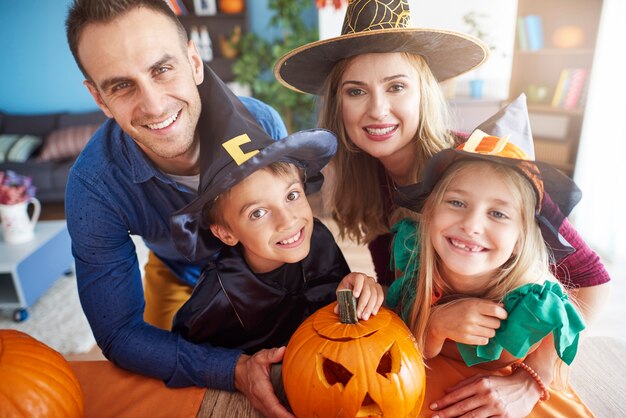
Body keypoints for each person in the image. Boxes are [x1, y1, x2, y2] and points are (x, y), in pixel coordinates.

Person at [274, 0, 610, 415]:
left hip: (509, 360)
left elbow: (592, 281)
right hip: (438, 351)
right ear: (338, 107)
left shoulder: (483, 168)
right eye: (356, 91)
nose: (377, 109)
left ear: (423, 93)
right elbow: (403, 290)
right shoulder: (367, 179)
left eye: (396, 87)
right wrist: (373, 293)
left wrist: (531, 379)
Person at [64, 0, 299, 416]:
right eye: (121, 86)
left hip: (264, 271)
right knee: (162, 396)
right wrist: (233, 369)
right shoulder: (93, 187)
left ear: (194, 62)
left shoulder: (263, 125)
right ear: (99, 98)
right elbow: (119, 333)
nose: (153, 105)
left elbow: (294, 235)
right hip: (176, 274)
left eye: (161, 69)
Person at [392, 96, 591, 416]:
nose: (471, 226)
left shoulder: (534, 300)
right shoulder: (413, 259)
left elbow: (559, 340)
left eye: (497, 213)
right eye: (457, 203)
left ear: (520, 238)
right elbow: (399, 348)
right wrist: (435, 325)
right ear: (429, 213)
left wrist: (533, 381)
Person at [169, 104, 383, 354]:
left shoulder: (318, 239)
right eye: (257, 213)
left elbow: (336, 315)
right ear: (226, 233)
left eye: (291, 196)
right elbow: (183, 357)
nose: (287, 221)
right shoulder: (214, 298)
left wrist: (354, 291)